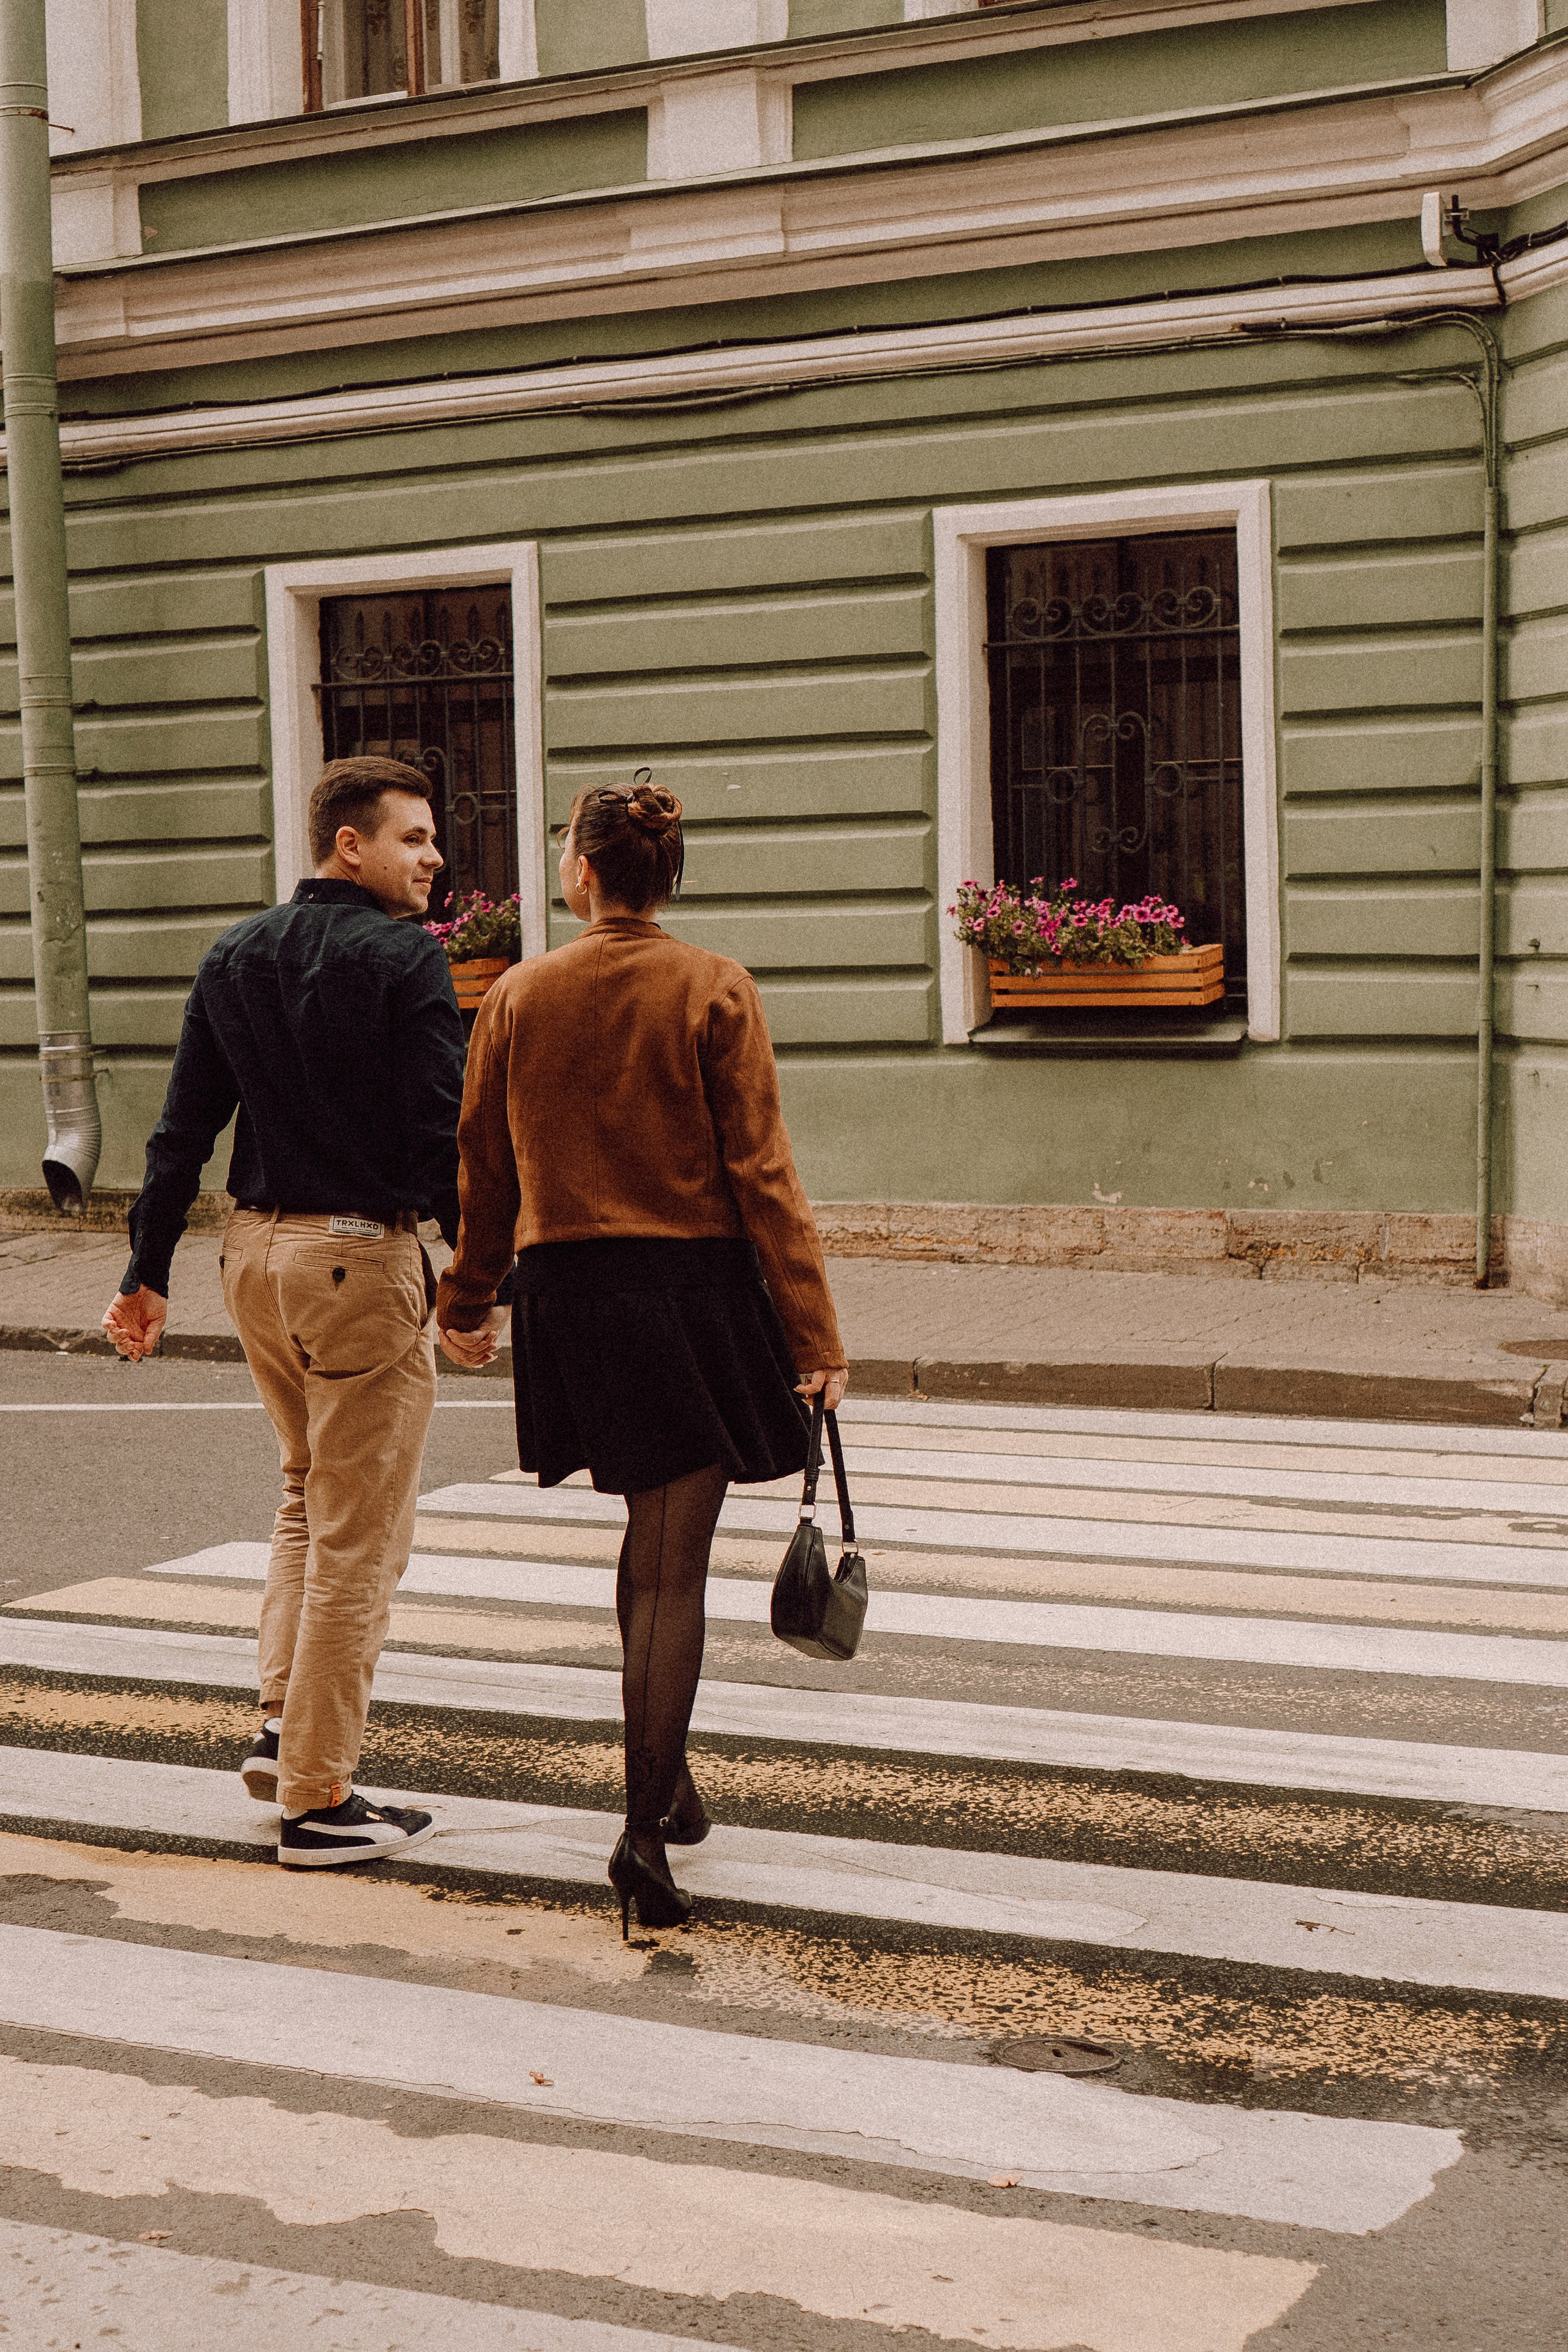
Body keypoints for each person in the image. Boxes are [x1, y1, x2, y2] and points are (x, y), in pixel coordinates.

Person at [437, 775, 848, 1935]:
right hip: (691, 1290)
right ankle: (641, 1828)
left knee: (645, 1536)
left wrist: (467, 1298)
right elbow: (763, 1173)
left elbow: (486, 1168)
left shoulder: (517, 993)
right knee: (676, 1561)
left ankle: (668, 1784)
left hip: (572, 1296)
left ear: (580, 873)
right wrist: (815, 1333)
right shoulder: (712, 985)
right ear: (668, 877)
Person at [102, 755, 477, 1870]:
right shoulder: (408, 961)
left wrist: (145, 1270)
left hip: (252, 1258)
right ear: (347, 845)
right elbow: (436, 1134)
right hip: (359, 1259)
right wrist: (473, 1278)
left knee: (307, 1500)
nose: (434, 858)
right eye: (413, 838)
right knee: (362, 1536)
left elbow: (183, 1131)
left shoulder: (235, 952)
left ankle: (282, 1727)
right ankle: (317, 1801)